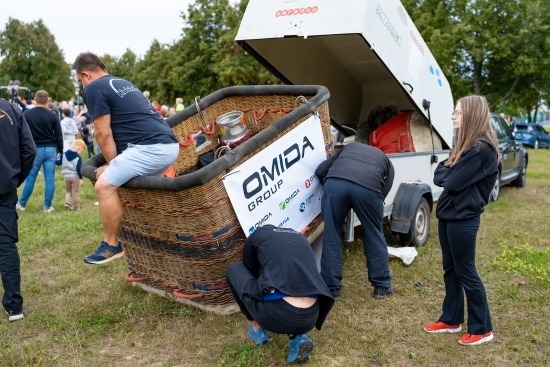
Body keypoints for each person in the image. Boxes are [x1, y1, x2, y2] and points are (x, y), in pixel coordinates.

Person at [72, 52, 179, 265]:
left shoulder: (93, 88)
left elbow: (103, 134)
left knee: (103, 186)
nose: (82, 86)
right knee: (139, 192)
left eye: (80, 81)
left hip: (149, 148)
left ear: (85, 74)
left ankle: (112, 245)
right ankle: (155, 241)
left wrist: (112, 164)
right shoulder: (122, 82)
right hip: (169, 144)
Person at [424, 95, 498, 346]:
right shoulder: (465, 144)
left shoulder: (481, 148)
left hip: (463, 218)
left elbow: (451, 181)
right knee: (451, 270)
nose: (453, 116)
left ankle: (481, 329)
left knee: (466, 271)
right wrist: (450, 171)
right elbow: (438, 175)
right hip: (447, 214)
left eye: (458, 112)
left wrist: (450, 171)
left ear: (473, 114)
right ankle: (451, 319)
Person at [226, 225, 334, 364]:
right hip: (312, 315)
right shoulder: (299, 237)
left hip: (278, 315)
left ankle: (257, 329)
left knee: (234, 269)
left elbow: (250, 272)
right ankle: (297, 337)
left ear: (260, 228)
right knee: (290, 285)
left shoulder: (256, 236)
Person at [315, 141, 394, 300]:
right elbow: (385, 188)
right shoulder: (386, 160)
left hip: (335, 183)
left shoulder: (348, 147)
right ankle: (382, 287)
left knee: (332, 234)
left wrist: (333, 188)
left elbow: (321, 170)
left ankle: (331, 290)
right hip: (369, 188)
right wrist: (371, 207)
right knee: (373, 234)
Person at [0, 97, 37, 321]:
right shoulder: (11, 109)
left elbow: (29, 150)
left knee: (5, 245)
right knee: (5, 244)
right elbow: (29, 150)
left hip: (5, 187)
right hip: (5, 186)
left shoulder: (12, 109)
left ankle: (14, 305)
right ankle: (14, 305)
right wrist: (14, 179)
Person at [17, 90, 63, 213]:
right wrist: (61, 150)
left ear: (34, 99)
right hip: (50, 149)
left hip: (33, 149)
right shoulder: (53, 115)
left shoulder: (26, 114)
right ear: (48, 101)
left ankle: (21, 204)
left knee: (30, 178)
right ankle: (47, 206)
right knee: (49, 179)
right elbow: (58, 135)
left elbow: (21, 133)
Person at [62, 139, 86, 211]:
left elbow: (58, 162)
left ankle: (67, 203)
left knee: (68, 191)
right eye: (81, 151)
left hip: (66, 176)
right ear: (78, 148)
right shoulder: (78, 157)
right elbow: (79, 168)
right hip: (74, 176)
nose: (80, 153)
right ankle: (77, 207)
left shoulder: (64, 154)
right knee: (75, 192)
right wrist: (81, 178)